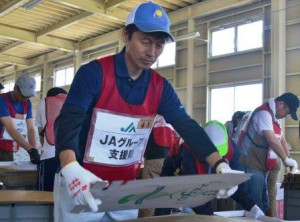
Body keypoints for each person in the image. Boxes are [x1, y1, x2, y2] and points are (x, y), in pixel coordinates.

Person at [54, 2, 239, 221]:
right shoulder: (94, 74)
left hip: (124, 190)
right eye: (145, 42)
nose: (152, 53)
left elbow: (187, 126)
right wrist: (70, 166)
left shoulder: (159, 87)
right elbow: (68, 120)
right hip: (82, 183)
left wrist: (220, 164)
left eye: (159, 45)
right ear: (126, 35)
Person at [154, 120, 264, 220]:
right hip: (175, 167)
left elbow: (236, 183)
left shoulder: (232, 150)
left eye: (221, 155)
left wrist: (252, 205)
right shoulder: (189, 150)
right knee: (164, 203)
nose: (216, 160)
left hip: (197, 169)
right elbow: (194, 193)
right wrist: (210, 217)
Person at [237, 92, 299, 213]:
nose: (285, 116)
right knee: (254, 205)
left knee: (264, 204)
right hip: (249, 165)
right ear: (281, 104)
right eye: (287, 113)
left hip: (261, 168)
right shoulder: (263, 113)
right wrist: (285, 160)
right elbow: (271, 139)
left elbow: (282, 140)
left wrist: (290, 159)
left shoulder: (275, 118)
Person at [138, 115, 180, 218]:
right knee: (165, 197)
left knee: (148, 196)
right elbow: (178, 139)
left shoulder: (150, 114)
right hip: (170, 160)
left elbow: (138, 134)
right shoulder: (170, 116)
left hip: (153, 158)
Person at [0, 74, 40, 164]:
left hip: (10, 146)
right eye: (23, 95)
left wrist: (34, 151)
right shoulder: (2, 100)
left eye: (28, 96)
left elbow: (31, 129)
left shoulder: (27, 103)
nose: (25, 99)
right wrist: (30, 150)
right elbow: (10, 129)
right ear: (15, 88)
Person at [36, 87, 67, 191]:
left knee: (44, 194)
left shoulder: (42, 104)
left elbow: (41, 134)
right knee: (65, 194)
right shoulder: (72, 104)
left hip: (48, 157)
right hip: (70, 157)